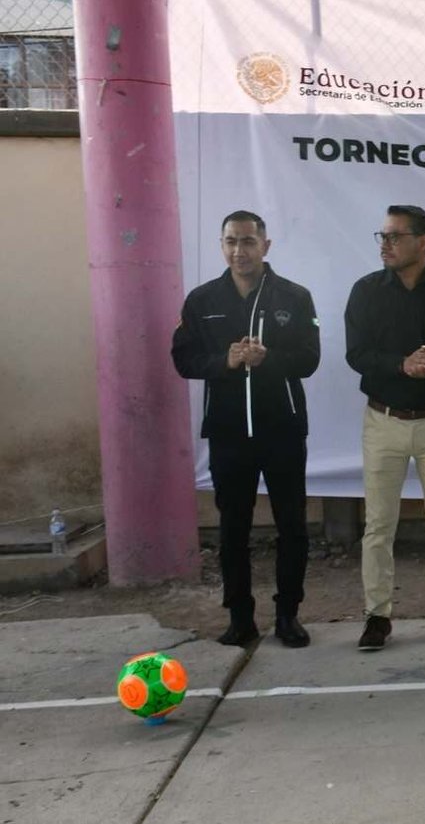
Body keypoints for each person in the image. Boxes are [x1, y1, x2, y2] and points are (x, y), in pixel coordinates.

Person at [172, 210, 320, 648]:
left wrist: (268, 358)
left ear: (266, 246)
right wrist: (226, 362)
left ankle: (289, 615)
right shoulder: (202, 300)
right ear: (222, 245)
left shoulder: (294, 297)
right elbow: (183, 360)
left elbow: (310, 360)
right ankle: (240, 618)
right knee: (232, 529)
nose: (240, 251)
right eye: (231, 241)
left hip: (283, 432)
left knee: (292, 526)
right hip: (228, 434)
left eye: (249, 242)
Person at [344, 205, 425, 651]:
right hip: (382, 421)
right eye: (381, 236)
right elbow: (357, 354)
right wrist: (401, 365)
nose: (385, 244)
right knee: (379, 524)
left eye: (394, 236)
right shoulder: (365, 291)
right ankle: (377, 616)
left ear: (423, 242)